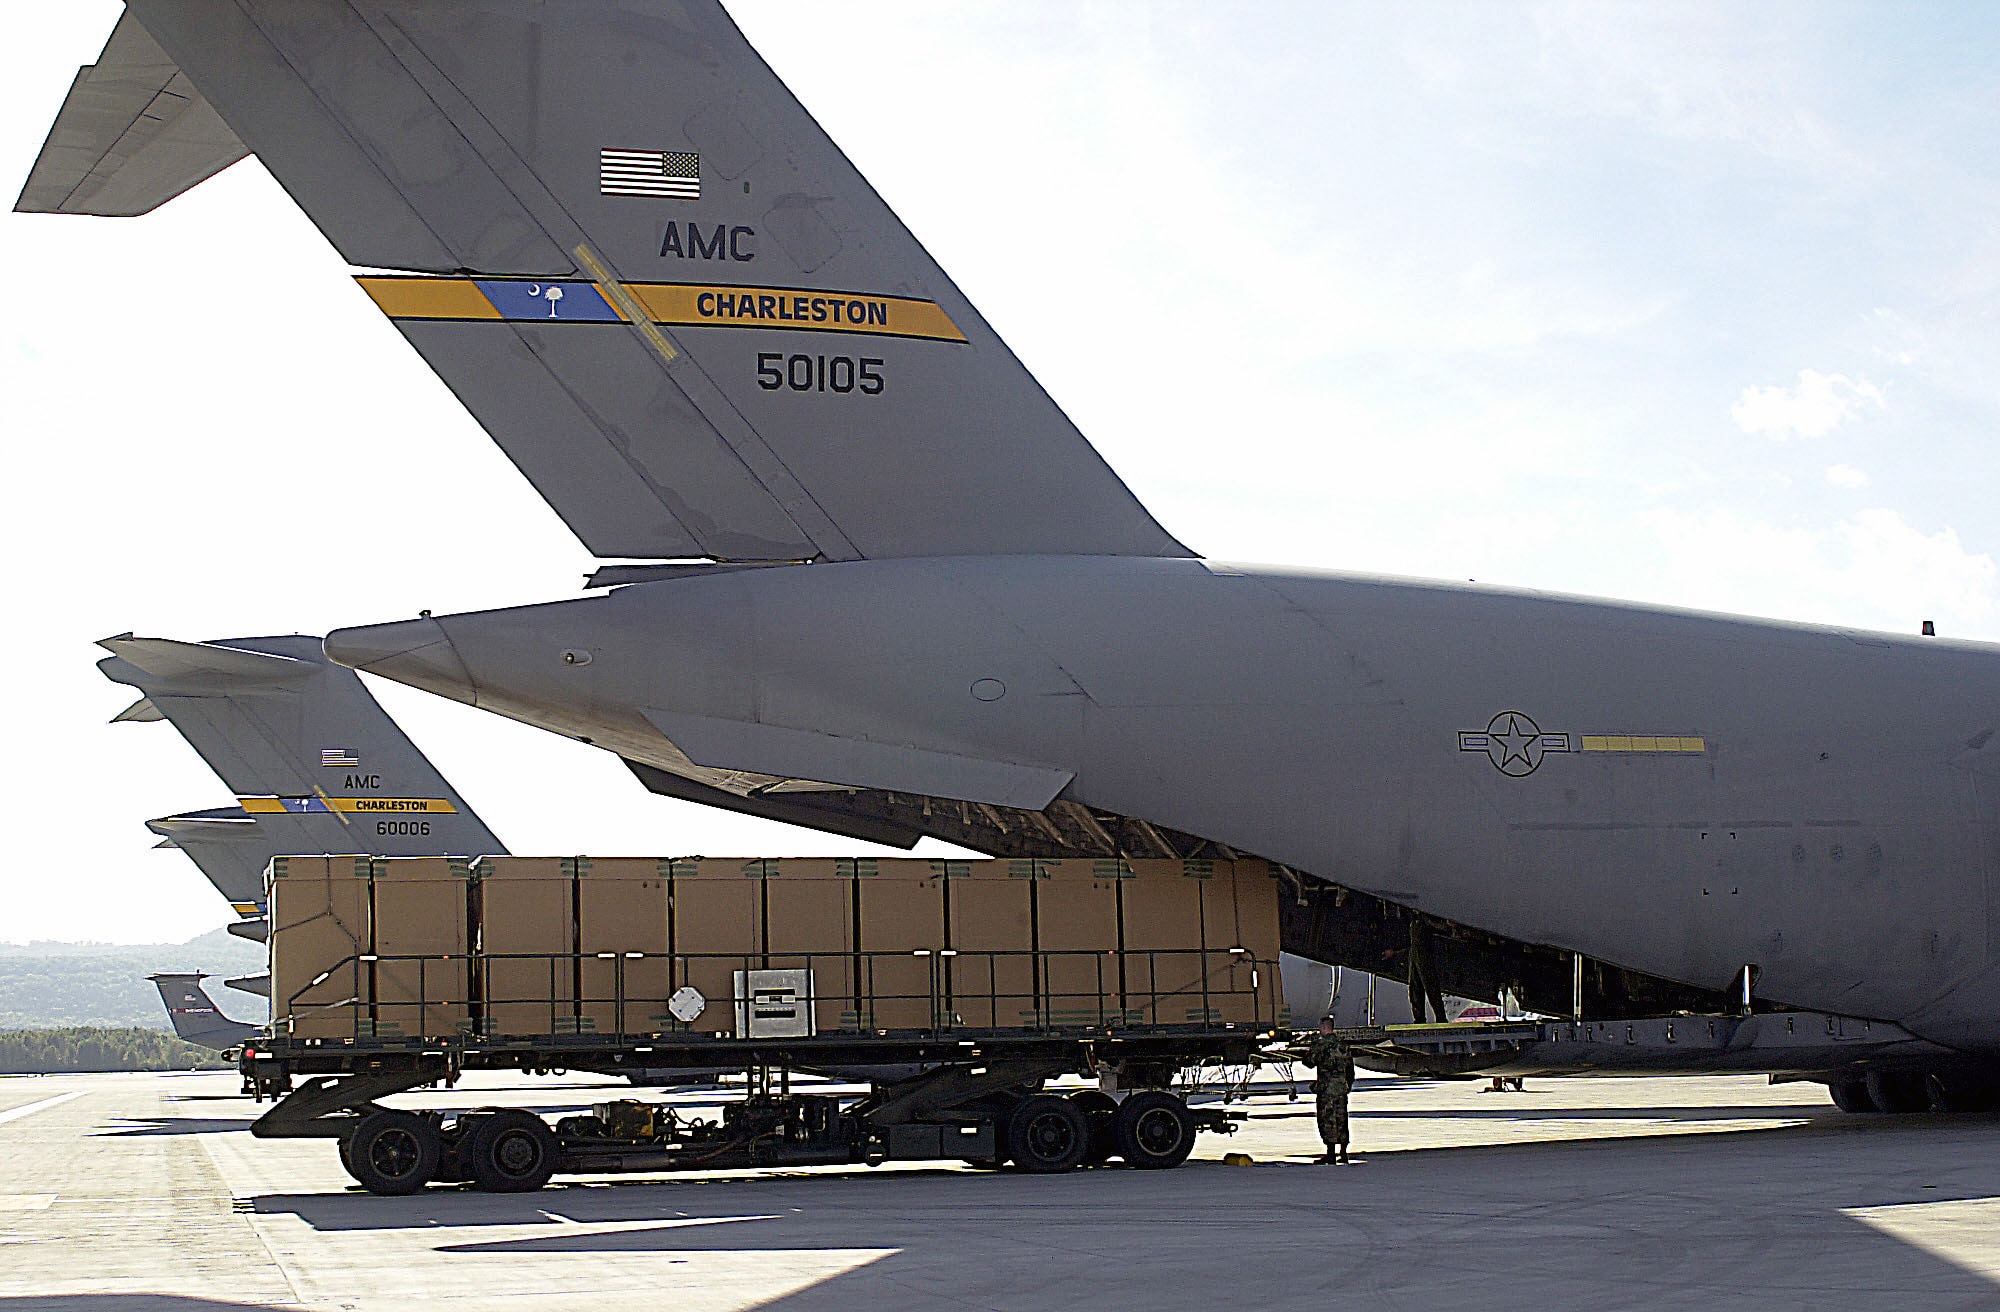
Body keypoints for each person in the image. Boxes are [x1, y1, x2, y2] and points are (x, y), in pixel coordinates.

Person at [1307, 1018, 1354, 1164]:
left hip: (1326, 1089)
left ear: (1323, 1027)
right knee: (1341, 1119)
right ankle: (1344, 1153)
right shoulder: (1343, 1045)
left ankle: (1331, 1153)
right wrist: (1346, 1085)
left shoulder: (1321, 1045)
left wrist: (1313, 1044)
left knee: (1327, 1120)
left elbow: (1308, 1062)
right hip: (1340, 1088)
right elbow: (1350, 1069)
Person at [1407, 919, 1448, 1024]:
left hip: (1423, 952)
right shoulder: (1416, 920)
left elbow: (1441, 928)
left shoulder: (1424, 919)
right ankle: (1420, 1018)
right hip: (1416, 951)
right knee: (1415, 987)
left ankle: (1439, 1017)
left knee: (1429, 986)